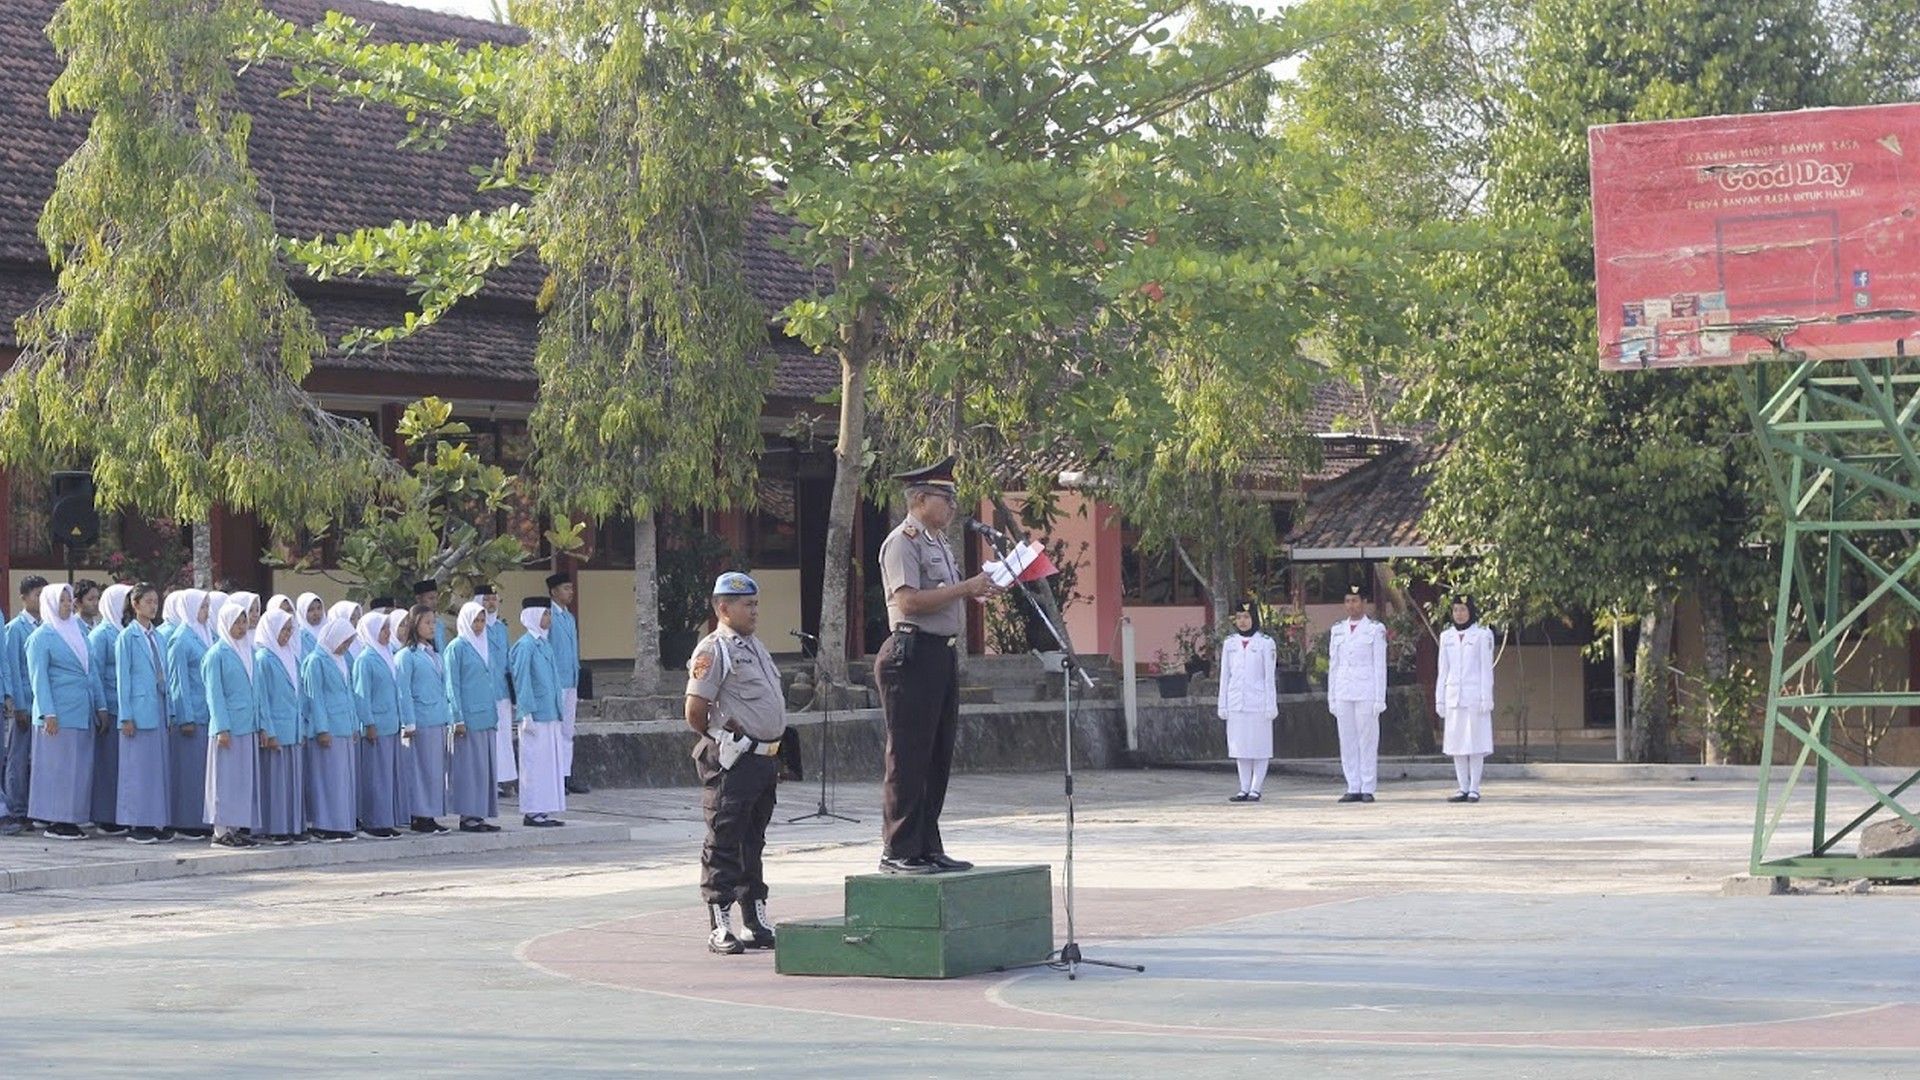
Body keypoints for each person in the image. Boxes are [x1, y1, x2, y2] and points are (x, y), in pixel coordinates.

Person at [874, 456, 1000, 874]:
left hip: (939, 653)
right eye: (945, 497)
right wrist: (966, 588)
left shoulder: (937, 542)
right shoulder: (902, 541)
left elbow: (944, 594)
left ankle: (926, 842)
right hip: (910, 653)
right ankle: (898, 849)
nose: (951, 506)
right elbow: (907, 600)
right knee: (908, 754)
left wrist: (976, 591)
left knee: (936, 753)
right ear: (921, 498)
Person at [685, 572, 786, 954]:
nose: (755, 611)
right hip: (734, 760)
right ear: (723, 608)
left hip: (764, 760)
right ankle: (719, 923)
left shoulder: (754, 646)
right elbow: (695, 711)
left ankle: (754, 918)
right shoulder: (714, 649)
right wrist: (724, 733)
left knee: (753, 841)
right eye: (747, 604)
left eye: (757, 603)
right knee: (724, 840)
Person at [25, 583, 108, 839]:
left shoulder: (78, 632)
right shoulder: (41, 637)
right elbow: (38, 679)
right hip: (58, 713)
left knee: (79, 767)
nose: (67, 605)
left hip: (81, 710)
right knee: (58, 767)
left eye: (69, 600)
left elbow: (90, 671)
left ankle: (73, 816)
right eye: (61, 600)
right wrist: (48, 712)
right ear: (50, 603)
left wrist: (101, 705)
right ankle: (56, 820)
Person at [115, 583, 173, 844]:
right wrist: (125, 715)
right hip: (138, 710)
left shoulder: (158, 636)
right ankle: (137, 822)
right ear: (135, 604)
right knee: (137, 768)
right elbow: (123, 679)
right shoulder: (127, 638)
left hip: (158, 706)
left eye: (155, 601)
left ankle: (155, 819)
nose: (153, 605)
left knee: (156, 768)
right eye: (148, 601)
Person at [203, 602, 262, 847]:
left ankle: (235, 826)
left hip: (246, 725)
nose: (241, 627)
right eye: (236, 622)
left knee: (241, 780)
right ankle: (220, 830)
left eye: (243, 621)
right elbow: (214, 695)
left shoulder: (248, 650)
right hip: (228, 727)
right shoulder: (217, 654)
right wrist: (221, 727)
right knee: (223, 779)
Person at [352, 610, 409, 839]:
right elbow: (362, 695)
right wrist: (369, 723)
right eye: (383, 629)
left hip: (391, 724)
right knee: (376, 776)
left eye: (387, 628)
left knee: (388, 776)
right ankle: (373, 821)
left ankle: (386, 819)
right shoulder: (365, 659)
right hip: (377, 726)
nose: (387, 633)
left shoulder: (387, 654)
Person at [443, 601, 500, 833]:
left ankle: (479, 813)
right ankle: (467, 816)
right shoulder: (456, 648)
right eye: (475, 620)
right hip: (467, 718)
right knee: (469, 768)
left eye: (482, 620)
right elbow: (451, 686)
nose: (478, 625)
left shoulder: (485, 645)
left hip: (486, 716)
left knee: (483, 768)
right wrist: (457, 718)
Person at [1328, 584, 1388, 804]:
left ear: (1364, 602)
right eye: (1347, 601)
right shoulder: (1337, 630)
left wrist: (1379, 698)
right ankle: (1352, 785)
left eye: (1355, 600)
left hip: (1366, 691)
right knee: (1347, 740)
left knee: (1367, 739)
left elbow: (1379, 666)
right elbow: (1334, 665)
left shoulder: (1374, 629)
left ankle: (1368, 786)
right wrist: (1331, 696)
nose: (1351, 605)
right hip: (1344, 689)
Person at [302, 618, 360, 843]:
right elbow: (314, 697)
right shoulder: (315, 661)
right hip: (327, 729)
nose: (346, 646)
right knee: (326, 778)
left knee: (342, 779)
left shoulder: (341, 660)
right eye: (344, 640)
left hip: (343, 726)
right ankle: (323, 824)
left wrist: (354, 724)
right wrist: (322, 729)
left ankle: (341, 822)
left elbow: (348, 694)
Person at [396, 603, 451, 835]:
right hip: (420, 720)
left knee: (435, 770)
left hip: (436, 718)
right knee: (420, 770)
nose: (431, 627)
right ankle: (419, 814)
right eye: (427, 622)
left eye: (434, 622)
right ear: (415, 624)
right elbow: (403, 690)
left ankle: (430, 812)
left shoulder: (436, 654)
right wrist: (408, 721)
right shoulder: (406, 656)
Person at [511, 598, 566, 828]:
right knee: (533, 764)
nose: (548, 619)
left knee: (548, 765)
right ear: (533, 616)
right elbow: (521, 679)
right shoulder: (525, 645)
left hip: (550, 713)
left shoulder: (543, 644)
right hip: (535, 715)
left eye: (549, 614)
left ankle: (543, 809)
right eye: (544, 614)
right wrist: (525, 713)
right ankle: (532, 811)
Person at [1217, 599, 1278, 803]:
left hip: (1258, 702)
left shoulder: (1265, 642)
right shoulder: (1230, 643)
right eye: (1239, 617)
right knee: (1240, 747)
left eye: (1246, 617)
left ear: (1254, 618)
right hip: (1236, 701)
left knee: (1259, 747)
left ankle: (1256, 788)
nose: (1242, 621)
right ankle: (1243, 788)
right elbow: (1225, 676)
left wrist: (1271, 705)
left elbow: (1269, 677)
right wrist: (1222, 703)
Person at [165, 589, 215, 838]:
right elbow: (178, 682)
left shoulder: (207, 635)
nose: (206, 612)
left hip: (208, 712)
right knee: (189, 771)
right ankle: (186, 821)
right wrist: (184, 716)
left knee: (203, 772)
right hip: (192, 714)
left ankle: (203, 820)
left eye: (207, 606)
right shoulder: (181, 639)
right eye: (202, 607)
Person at [1437, 596, 1496, 804]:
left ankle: (1474, 788)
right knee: (1456, 743)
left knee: (1475, 743)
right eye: (1455, 610)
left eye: (1463, 609)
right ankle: (1462, 787)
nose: (1459, 614)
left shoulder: (1482, 634)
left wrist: (1486, 697)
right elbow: (1443, 670)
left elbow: (1485, 670)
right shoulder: (1446, 637)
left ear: (1470, 611)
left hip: (1474, 696)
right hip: (1454, 696)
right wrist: (1440, 699)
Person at [254, 607, 306, 844]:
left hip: (292, 727)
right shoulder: (264, 658)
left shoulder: (291, 655)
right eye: (282, 629)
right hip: (276, 728)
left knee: (291, 781)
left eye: (289, 629)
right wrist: (268, 729)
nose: (286, 635)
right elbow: (261, 698)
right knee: (275, 781)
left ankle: (291, 824)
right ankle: (273, 826)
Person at [2, 574, 49, 835]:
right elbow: (13, 668)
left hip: (42, 704)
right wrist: (18, 704)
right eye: (36, 595)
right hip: (25, 704)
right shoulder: (15, 629)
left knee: (38, 759)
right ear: (24, 597)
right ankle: (16, 808)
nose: (41, 600)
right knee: (18, 758)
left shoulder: (46, 626)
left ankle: (34, 807)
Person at [87, 583, 133, 835]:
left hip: (125, 706)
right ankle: (105, 816)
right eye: (126, 601)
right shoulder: (101, 635)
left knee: (121, 765)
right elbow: (94, 673)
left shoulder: (124, 631)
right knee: (107, 763)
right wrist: (101, 706)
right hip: (111, 707)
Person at [545, 571, 589, 796]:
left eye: (571, 588)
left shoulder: (569, 617)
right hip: (556, 681)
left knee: (567, 731)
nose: (570, 592)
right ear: (553, 591)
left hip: (570, 679)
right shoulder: (548, 616)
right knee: (554, 730)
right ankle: (554, 776)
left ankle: (565, 775)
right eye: (565, 588)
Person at [477, 585, 516, 798]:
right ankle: (490, 779)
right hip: (484, 692)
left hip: (502, 691)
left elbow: (508, 659)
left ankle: (504, 779)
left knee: (504, 737)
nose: (491, 603)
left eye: (494, 599)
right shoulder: (477, 629)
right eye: (486, 599)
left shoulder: (501, 628)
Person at [295, 592, 326, 656]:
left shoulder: (328, 632)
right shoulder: (299, 636)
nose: (316, 613)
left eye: (319, 608)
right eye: (311, 610)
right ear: (302, 612)